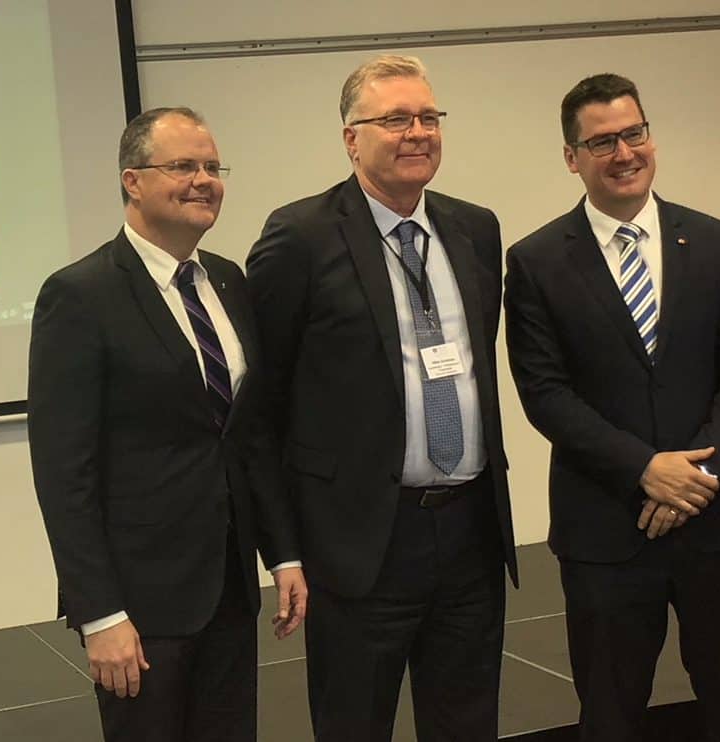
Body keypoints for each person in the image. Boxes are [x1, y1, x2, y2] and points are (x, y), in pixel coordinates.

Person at [246, 55, 517, 742]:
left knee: (467, 725)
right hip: (361, 541)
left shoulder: (475, 228)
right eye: (395, 119)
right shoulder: (300, 237)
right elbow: (262, 410)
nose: (417, 132)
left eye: (428, 117)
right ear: (351, 138)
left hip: (469, 534)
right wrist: (284, 551)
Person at [504, 73, 720, 741]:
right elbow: (544, 393)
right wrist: (644, 468)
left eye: (634, 133)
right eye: (601, 141)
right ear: (572, 157)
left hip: (718, 525)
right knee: (611, 716)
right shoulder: (536, 262)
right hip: (608, 531)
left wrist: (702, 475)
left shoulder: (712, 241)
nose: (624, 152)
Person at [27, 106, 306, 742]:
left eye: (212, 166)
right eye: (183, 165)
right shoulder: (80, 295)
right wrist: (98, 613)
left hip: (229, 589)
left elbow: (249, 435)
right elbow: (63, 471)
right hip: (140, 602)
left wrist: (282, 552)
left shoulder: (228, 282)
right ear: (133, 180)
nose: (203, 179)